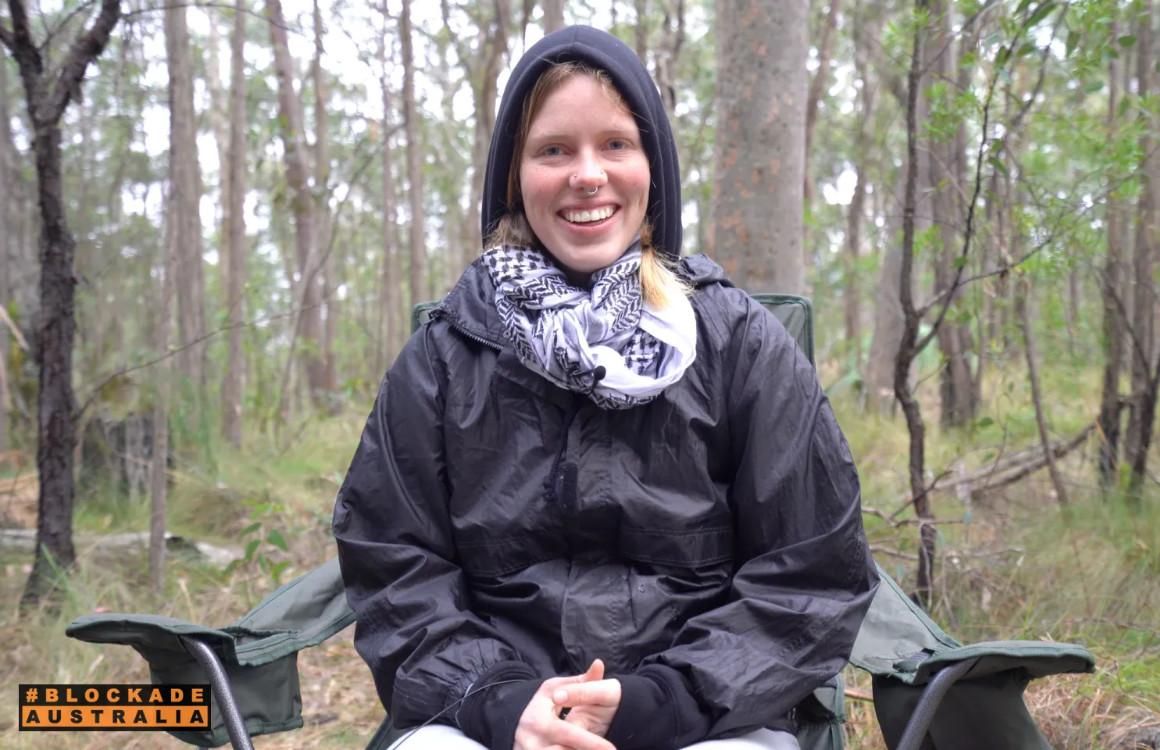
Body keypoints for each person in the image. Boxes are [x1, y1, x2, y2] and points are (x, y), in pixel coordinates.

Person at [333, 25, 878, 750]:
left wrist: (663, 700)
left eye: (615, 144)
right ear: (513, 178)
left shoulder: (738, 344)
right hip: (493, 717)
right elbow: (395, 570)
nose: (586, 174)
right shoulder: (443, 358)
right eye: (553, 149)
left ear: (653, 167)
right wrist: (499, 701)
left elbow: (810, 573)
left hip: (704, 714)